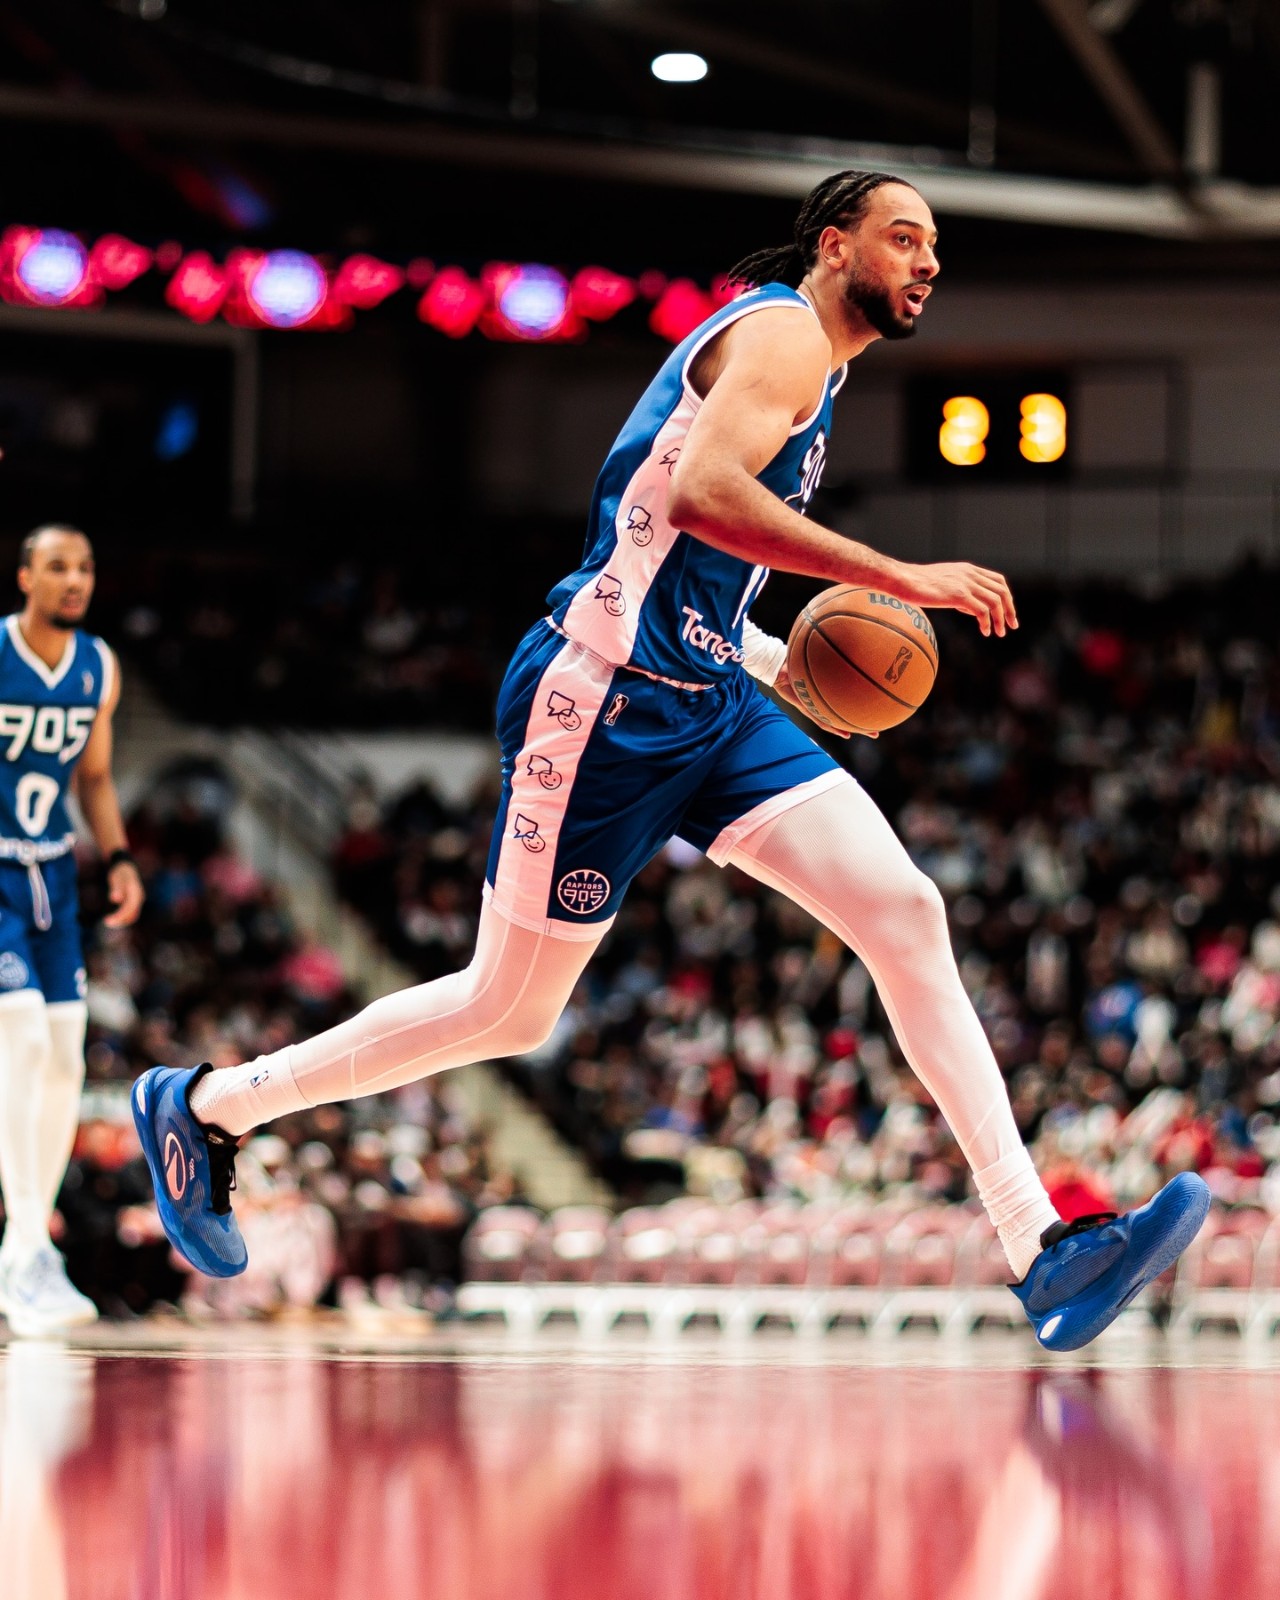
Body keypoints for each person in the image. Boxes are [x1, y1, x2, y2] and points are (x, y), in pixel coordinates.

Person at [132, 170, 1209, 1351]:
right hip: (601, 699)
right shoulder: (783, 335)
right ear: (832, 244)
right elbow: (701, 496)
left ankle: (1041, 1248)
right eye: (903, 237)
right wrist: (900, 578)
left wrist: (774, 660)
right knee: (506, 1010)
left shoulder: (819, 366)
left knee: (903, 911)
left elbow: (684, 556)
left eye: (933, 246)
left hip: (708, 698)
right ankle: (210, 1107)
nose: (926, 261)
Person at [0, 526, 144, 1335]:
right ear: (25, 577)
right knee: (20, 1042)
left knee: (62, 1062)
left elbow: (93, 776)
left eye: (85, 567)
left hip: (52, 876)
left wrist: (118, 857)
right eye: (57, 566)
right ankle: (26, 1249)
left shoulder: (99, 667)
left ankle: (28, 1246)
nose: (75, 579)